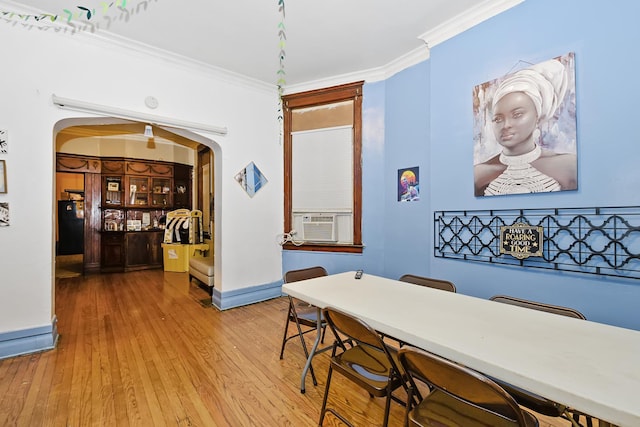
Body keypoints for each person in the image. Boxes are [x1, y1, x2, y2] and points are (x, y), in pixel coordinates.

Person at [474, 58, 577, 196]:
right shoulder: (479, 173)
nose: (506, 125)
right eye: (498, 119)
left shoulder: (568, 165)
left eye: (517, 114)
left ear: (537, 117)